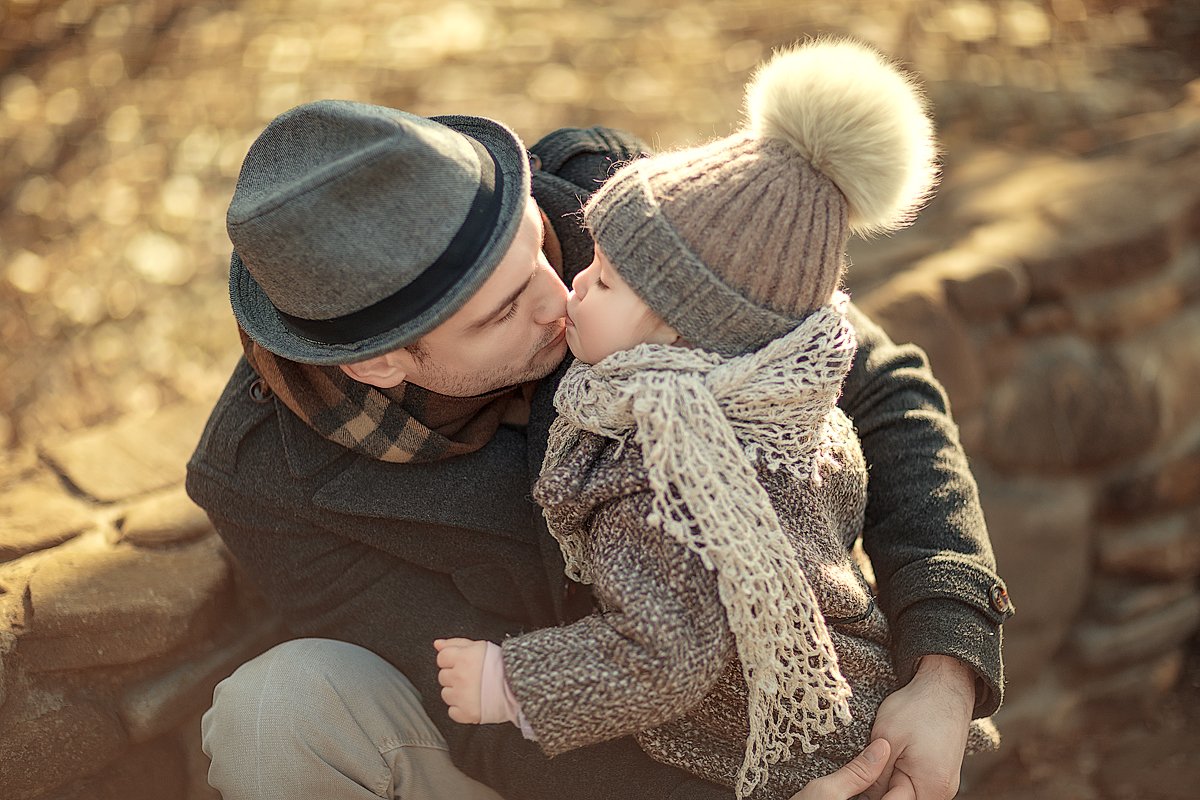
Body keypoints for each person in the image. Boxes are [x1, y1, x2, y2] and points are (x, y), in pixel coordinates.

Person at [188, 44, 1014, 800]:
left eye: (540, 246)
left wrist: (945, 670)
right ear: (377, 365)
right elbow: (485, 720)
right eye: (505, 308)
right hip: (561, 758)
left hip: (799, 709)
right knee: (275, 710)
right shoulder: (268, 481)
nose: (561, 295)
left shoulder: (620, 212)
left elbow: (879, 389)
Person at [432, 41, 998, 800]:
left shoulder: (669, 469)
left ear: (681, 335)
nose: (571, 287)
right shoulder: (782, 396)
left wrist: (509, 683)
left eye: (600, 279)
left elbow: (666, 657)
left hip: (785, 757)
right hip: (854, 692)